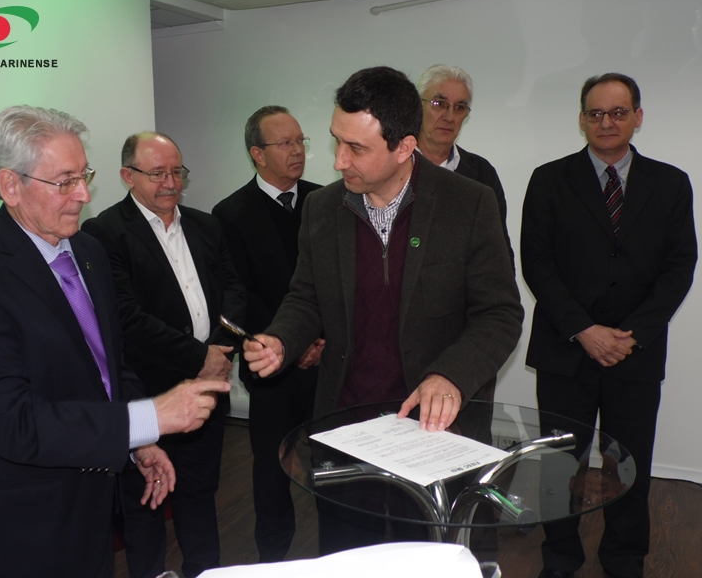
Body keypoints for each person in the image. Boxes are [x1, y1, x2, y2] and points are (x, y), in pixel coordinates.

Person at [0, 105, 230, 578]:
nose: (84, 194)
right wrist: (148, 417)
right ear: (10, 185)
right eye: (65, 182)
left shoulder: (87, 251)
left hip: (89, 514)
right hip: (12, 532)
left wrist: (138, 443)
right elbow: (12, 422)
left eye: (83, 175)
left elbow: (109, 364)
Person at [243, 66, 523, 554]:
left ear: (404, 147)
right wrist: (282, 339)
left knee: (426, 558)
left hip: (435, 433)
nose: (337, 161)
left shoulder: (469, 204)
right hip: (346, 429)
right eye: (336, 141)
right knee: (349, 557)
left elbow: (500, 313)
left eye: (355, 148)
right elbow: (306, 296)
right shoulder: (322, 208)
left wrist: (451, 376)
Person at [521, 73, 697, 578]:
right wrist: (585, 330)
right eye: (596, 113)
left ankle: (623, 559)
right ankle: (560, 559)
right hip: (565, 349)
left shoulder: (671, 183)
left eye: (618, 112)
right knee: (560, 465)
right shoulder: (549, 179)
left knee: (628, 465)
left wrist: (631, 335)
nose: (606, 122)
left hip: (635, 352)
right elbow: (537, 264)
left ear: (638, 117)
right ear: (582, 119)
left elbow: (679, 266)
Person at [82, 132, 247, 578]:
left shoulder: (205, 225)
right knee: (145, 505)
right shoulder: (104, 233)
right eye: (157, 173)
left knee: (200, 494)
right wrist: (199, 357)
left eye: (177, 172)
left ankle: (204, 571)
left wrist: (218, 351)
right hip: (147, 395)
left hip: (207, 389)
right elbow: (125, 319)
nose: (171, 182)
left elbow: (233, 290)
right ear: (127, 175)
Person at [211, 106, 323, 562]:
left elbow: (338, 283)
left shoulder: (325, 201)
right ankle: (273, 559)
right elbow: (239, 295)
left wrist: (320, 339)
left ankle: (338, 553)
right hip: (270, 364)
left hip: (328, 358)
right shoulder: (230, 214)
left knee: (335, 462)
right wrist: (290, 344)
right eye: (285, 143)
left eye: (300, 141)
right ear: (257, 153)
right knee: (272, 468)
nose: (298, 151)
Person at [415, 64, 514, 268]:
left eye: (459, 107)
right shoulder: (393, 167)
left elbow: (499, 254)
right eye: (439, 103)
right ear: (417, 106)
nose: (449, 117)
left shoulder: (481, 173)